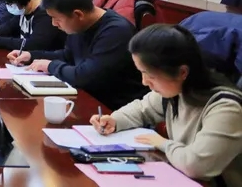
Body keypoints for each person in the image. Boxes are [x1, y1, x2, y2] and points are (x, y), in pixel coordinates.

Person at [91, 25, 242, 186]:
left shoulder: (226, 108)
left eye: (150, 75)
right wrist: (115, 120)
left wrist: (162, 143)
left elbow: (197, 165)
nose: (144, 82)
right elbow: (141, 109)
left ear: (182, 72)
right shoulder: (176, 90)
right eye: (141, 72)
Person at [8, 0, 148, 110]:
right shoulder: (79, 25)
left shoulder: (116, 32)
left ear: (78, 14)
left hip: (113, 109)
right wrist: (31, 56)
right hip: (87, 99)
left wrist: (50, 66)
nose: (54, 24)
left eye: (56, 19)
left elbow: (85, 77)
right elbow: (68, 56)